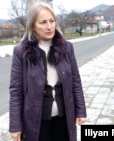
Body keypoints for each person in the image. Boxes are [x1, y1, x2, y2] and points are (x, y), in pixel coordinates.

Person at [9, 2, 87, 141]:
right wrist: (15, 125)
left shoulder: (67, 48)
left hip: (64, 117)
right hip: (35, 120)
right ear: (33, 25)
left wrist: (80, 110)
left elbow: (75, 80)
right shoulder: (21, 52)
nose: (49, 26)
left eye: (52, 21)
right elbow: (16, 90)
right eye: (43, 22)